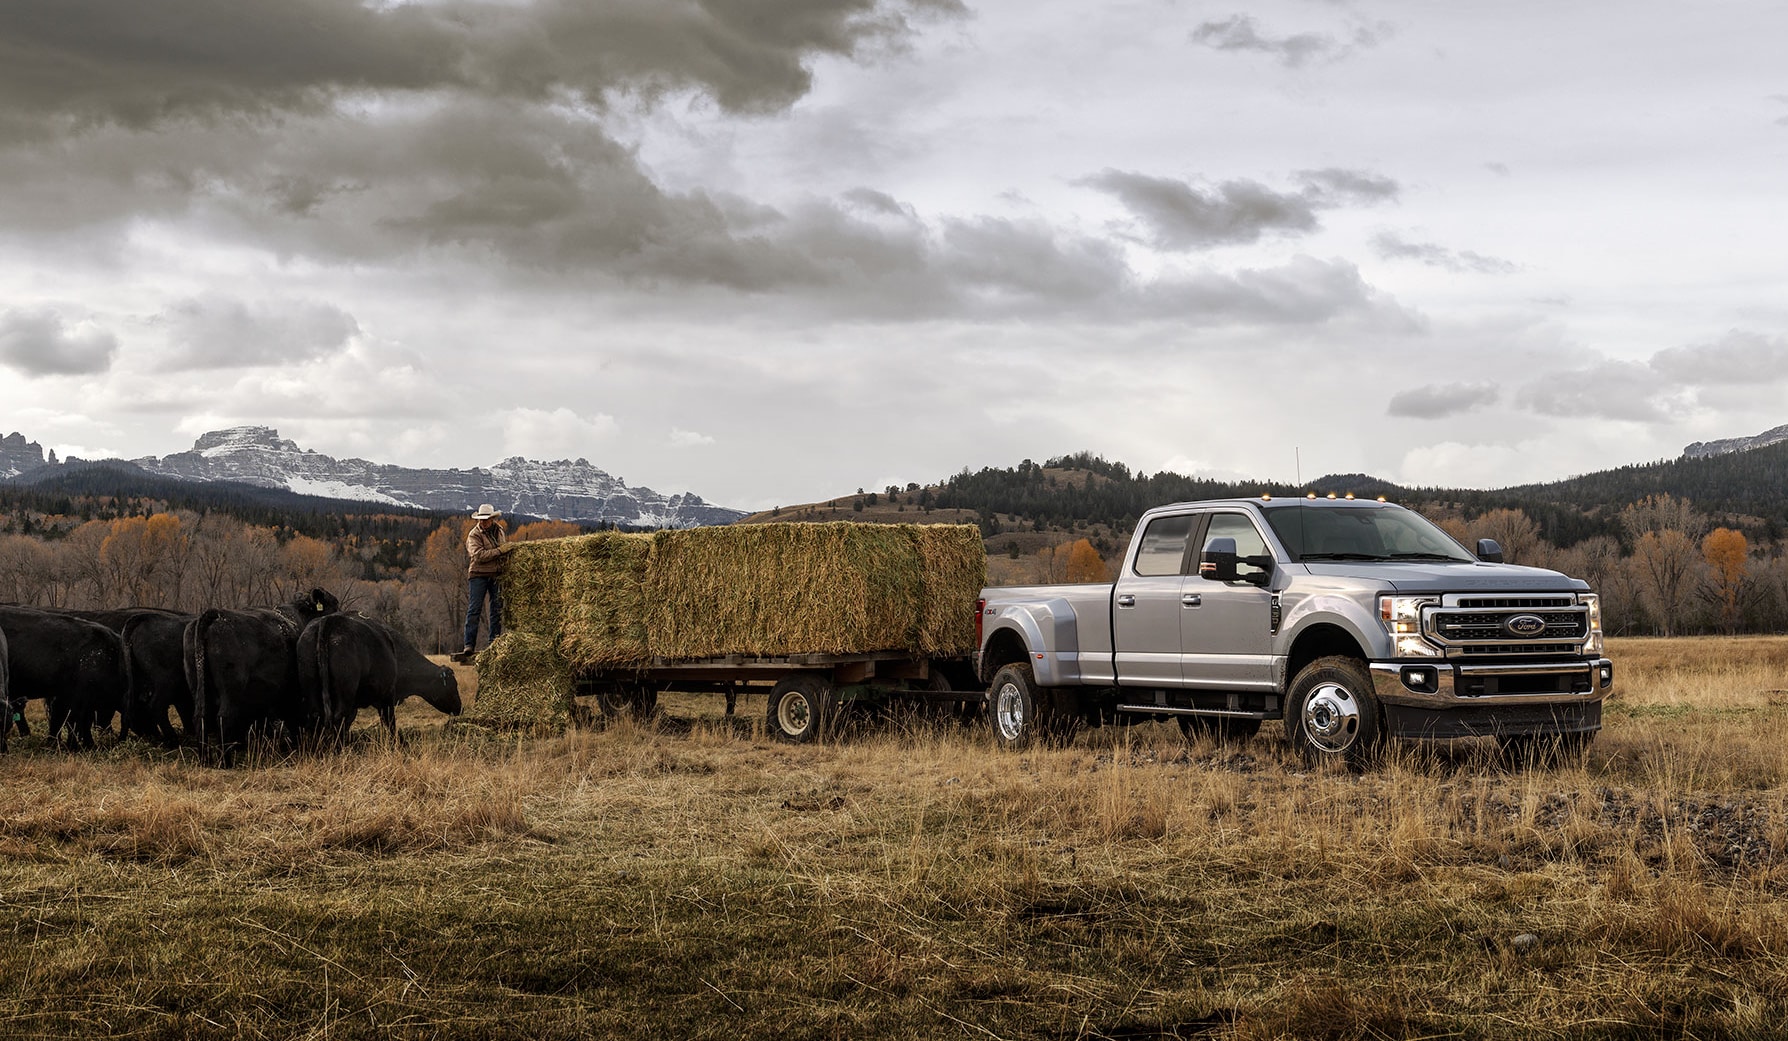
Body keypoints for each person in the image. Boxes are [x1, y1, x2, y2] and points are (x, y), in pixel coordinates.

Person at [457, 503, 510, 661]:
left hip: (496, 575)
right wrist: (499, 551)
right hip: (478, 575)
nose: (483, 522)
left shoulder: (499, 531)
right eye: (481, 519)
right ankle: (469, 645)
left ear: (492, 519)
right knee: (475, 609)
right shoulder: (473, 535)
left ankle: (494, 643)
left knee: (496, 610)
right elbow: (478, 555)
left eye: (486, 519)